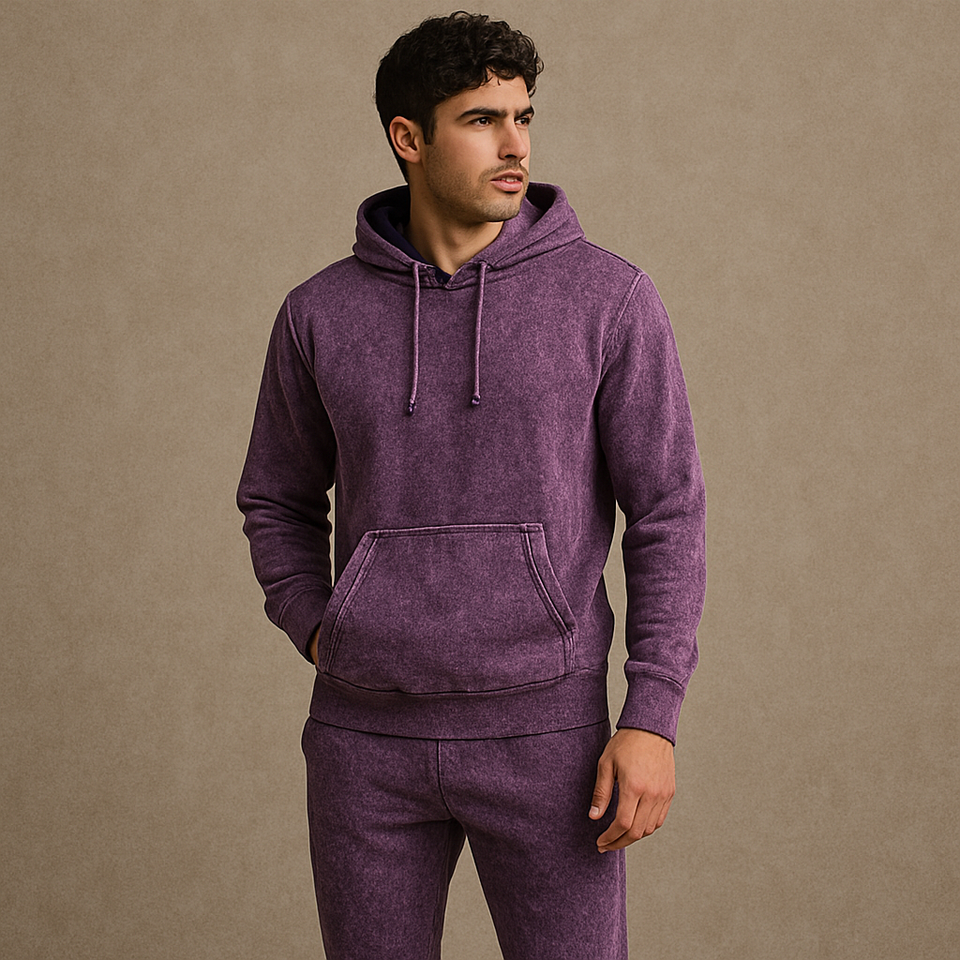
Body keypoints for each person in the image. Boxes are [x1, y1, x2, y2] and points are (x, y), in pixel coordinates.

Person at [237, 11, 705, 959]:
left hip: (551, 738)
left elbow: (668, 513)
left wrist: (651, 716)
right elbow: (275, 498)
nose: (515, 143)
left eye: (523, 116)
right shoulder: (318, 314)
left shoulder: (608, 300)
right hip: (364, 744)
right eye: (483, 119)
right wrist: (323, 628)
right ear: (408, 138)